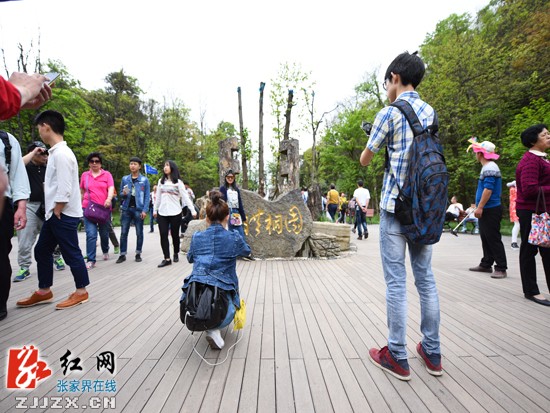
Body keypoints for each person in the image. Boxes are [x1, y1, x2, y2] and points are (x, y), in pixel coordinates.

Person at [359, 52, 442, 380]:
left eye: (387, 83)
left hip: (395, 210)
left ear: (395, 77)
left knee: (396, 282)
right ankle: (432, 352)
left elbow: (366, 159)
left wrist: (372, 139)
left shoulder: (388, 113)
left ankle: (397, 355)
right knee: (426, 278)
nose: (386, 89)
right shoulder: (430, 111)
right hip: (425, 209)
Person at [17, 110, 90, 310]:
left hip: (62, 213)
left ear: (46, 127)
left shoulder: (63, 154)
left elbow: (65, 187)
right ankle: (44, 290)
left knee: (71, 252)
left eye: (39, 127)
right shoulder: (55, 153)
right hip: (54, 213)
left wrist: (58, 208)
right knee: (42, 250)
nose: (39, 132)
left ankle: (81, 292)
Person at [180, 189, 251, 349]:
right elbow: (247, 251)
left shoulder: (197, 237)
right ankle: (214, 328)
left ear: (207, 218)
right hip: (221, 297)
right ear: (227, 217)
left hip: (193, 298)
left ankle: (207, 324)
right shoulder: (233, 238)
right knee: (231, 303)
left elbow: (190, 258)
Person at [14, 141, 66, 283]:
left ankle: (57, 258)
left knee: (53, 235)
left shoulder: (48, 166)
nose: (43, 155)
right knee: (24, 239)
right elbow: (17, 164)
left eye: (45, 152)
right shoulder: (25, 166)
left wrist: (48, 157)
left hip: (47, 206)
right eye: (40, 153)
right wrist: (33, 152)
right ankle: (24, 267)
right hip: (29, 205)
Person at [515, 124, 550, 306]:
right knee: (530, 250)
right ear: (533, 141)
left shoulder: (542, 158)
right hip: (532, 212)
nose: (549, 136)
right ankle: (531, 291)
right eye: (544, 135)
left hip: (542, 212)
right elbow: (529, 190)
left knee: (547, 250)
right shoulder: (530, 160)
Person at [467, 137, 508, 279]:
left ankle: (501, 267)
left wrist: (480, 207)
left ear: (480, 154)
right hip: (486, 208)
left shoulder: (490, 167)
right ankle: (486, 263)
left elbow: (488, 190)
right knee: (485, 236)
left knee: (493, 237)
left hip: (490, 208)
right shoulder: (487, 167)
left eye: (476, 152)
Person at [0, 130, 30, 321]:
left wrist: (22, 206)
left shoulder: (7, 140)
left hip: (3, 201)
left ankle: (0, 303)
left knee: (1, 253)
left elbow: (18, 173)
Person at [154, 160, 196, 268]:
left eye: (167, 165)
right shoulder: (161, 182)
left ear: (172, 167)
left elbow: (186, 197)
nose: (165, 167)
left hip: (175, 212)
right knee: (163, 234)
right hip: (162, 212)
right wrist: (155, 209)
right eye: (164, 165)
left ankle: (176, 252)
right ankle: (167, 258)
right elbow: (158, 197)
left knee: (174, 235)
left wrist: (193, 210)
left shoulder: (178, 182)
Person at [80, 152, 115, 269]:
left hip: (103, 208)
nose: (94, 163)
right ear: (89, 163)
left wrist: (109, 199)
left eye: (97, 161)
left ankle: (105, 250)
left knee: (104, 233)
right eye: (92, 161)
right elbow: (82, 191)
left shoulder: (107, 175)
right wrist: (79, 205)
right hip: (88, 208)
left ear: (100, 163)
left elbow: (111, 187)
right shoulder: (85, 175)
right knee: (91, 234)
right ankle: (91, 259)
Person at [116, 157, 150, 263]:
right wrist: (124, 193)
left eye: (135, 164)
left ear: (139, 166)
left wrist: (145, 210)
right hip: (126, 209)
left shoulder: (144, 180)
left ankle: (138, 253)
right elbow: (121, 194)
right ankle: (122, 254)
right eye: (131, 164)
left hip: (138, 209)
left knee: (139, 232)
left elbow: (147, 196)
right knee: (123, 232)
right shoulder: (125, 179)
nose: (132, 166)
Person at [507, 180, 520, 250]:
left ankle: (514, 242)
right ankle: (513, 242)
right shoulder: (515, 184)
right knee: (517, 224)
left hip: (516, 206)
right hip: (515, 206)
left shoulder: (514, 184)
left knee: (519, 225)